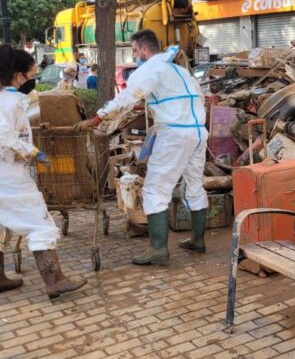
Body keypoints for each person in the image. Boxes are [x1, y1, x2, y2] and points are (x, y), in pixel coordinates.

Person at [0, 45, 87, 298]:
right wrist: (33, 153)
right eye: (31, 75)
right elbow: (6, 141)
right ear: (18, 75)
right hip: (4, 177)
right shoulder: (6, 101)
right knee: (39, 224)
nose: (32, 80)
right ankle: (55, 280)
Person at [76, 30, 208, 266]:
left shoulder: (149, 69)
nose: (135, 56)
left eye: (135, 51)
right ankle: (198, 241)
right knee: (195, 186)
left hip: (173, 135)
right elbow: (194, 99)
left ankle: (158, 249)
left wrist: (96, 119)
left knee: (155, 191)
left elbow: (126, 98)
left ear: (144, 50)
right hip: (197, 132)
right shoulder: (180, 71)